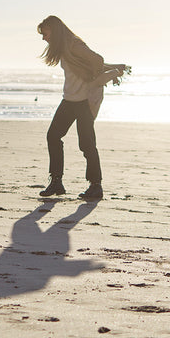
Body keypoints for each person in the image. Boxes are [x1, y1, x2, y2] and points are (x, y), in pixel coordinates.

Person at [36, 15, 130, 202]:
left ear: (54, 30)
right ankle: (56, 181)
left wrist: (93, 77)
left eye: (45, 33)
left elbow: (97, 59)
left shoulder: (74, 45)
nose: (43, 38)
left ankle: (96, 186)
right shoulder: (63, 48)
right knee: (53, 136)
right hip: (70, 100)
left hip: (84, 101)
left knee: (86, 144)